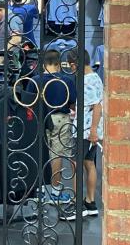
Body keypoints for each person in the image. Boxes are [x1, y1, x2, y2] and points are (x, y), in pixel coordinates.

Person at [61, 49, 103, 220]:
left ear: (74, 64)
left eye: (70, 66)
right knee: (88, 163)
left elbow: (97, 106)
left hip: (85, 130)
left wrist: (92, 130)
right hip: (88, 128)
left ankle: (78, 205)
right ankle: (90, 202)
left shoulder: (88, 81)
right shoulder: (94, 78)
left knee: (75, 164)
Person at [31, 49, 76, 204]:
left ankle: (40, 192)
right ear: (58, 64)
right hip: (60, 119)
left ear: (43, 64)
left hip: (39, 119)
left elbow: (29, 103)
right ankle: (56, 192)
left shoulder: (35, 80)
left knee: (39, 153)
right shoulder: (67, 80)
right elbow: (73, 103)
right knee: (57, 155)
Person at [0, 0, 23, 65]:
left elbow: (16, 39)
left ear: (0, 10)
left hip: (9, 59)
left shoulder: (12, 19)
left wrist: (2, 55)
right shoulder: (5, 20)